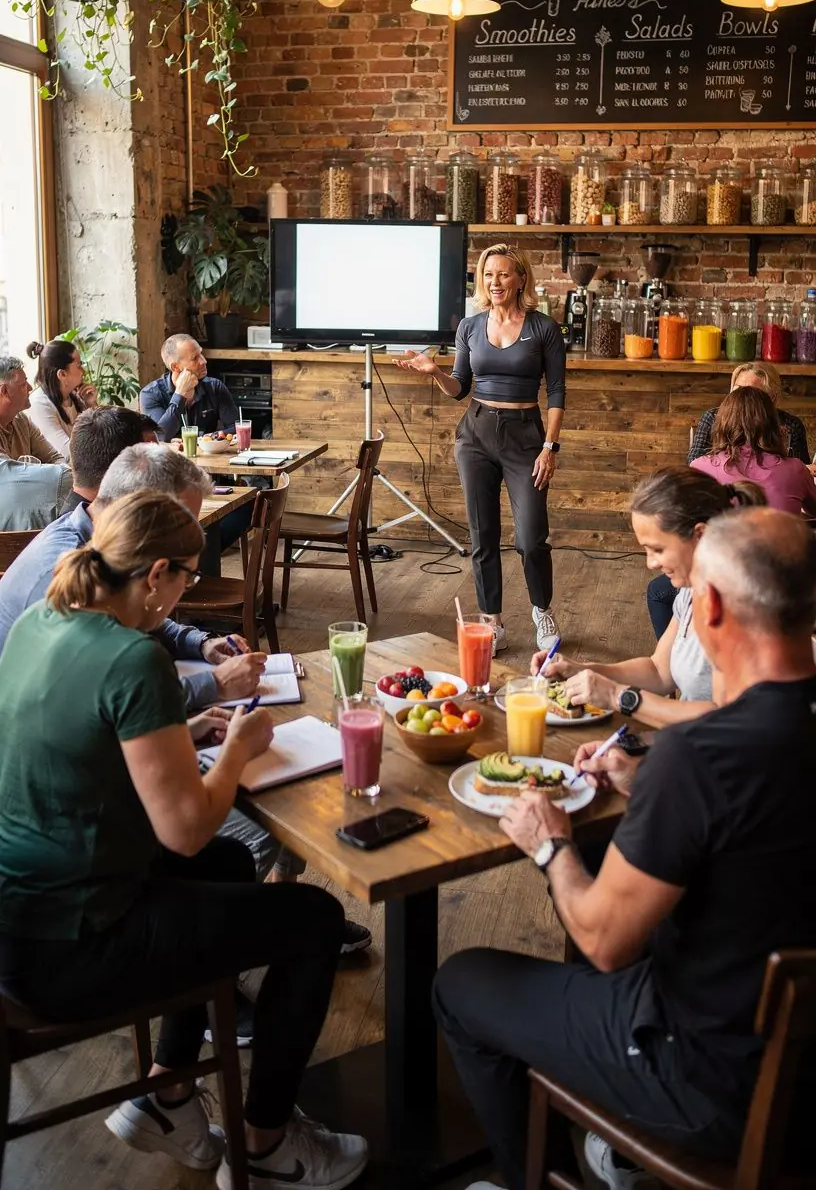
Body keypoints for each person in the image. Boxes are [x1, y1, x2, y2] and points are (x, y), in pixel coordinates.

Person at [436, 506, 816, 1190]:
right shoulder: (728, 755)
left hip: (709, 1082)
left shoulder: (700, 755)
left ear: (717, 608)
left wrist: (552, 846)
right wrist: (649, 792)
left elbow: (604, 938)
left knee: (461, 983)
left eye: (693, 592)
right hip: (797, 1062)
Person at [0, 490, 368, 1190]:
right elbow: (187, 826)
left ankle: (168, 1095)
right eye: (186, 580)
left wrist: (180, 734)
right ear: (156, 572)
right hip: (70, 951)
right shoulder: (131, 658)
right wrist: (236, 747)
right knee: (314, 921)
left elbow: (94, 744)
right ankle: (266, 1148)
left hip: (18, 918)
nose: (183, 596)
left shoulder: (40, 622)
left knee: (230, 860)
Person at [0, 419, 262, 710]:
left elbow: (120, 620)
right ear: (135, 508)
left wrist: (200, 643)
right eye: (180, 522)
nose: (185, 538)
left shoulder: (95, 542)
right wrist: (215, 685)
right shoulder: (61, 574)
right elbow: (116, 697)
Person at [395, 242, 566, 654]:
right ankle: (492, 618)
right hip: (475, 435)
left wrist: (550, 447)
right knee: (482, 533)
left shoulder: (544, 328)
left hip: (526, 436)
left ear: (521, 278)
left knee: (530, 537)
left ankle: (542, 610)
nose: (495, 282)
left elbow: (557, 392)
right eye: (488, 275)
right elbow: (459, 389)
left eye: (504, 274)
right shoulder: (470, 327)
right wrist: (435, 371)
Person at [530, 467, 764, 728]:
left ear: (700, 535)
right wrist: (582, 669)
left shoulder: (740, 608)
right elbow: (659, 670)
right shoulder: (691, 589)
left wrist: (617, 696)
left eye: (658, 549)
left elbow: (729, 722)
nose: (651, 563)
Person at [641, 361, 814, 640]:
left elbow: (684, 515)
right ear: (772, 420)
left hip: (724, 580)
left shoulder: (701, 467)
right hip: (784, 581)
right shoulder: (794, 468)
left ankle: (675, 658)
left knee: (658, 592)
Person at [690, 385, 816, 519]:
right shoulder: (796, 469)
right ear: (774, 425)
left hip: (720, 538)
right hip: (779, 539)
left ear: (722, 423)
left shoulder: (698, 468)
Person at [688, 359, 809, 464]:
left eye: (752, 394)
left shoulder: (791, 425)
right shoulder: (713, 418)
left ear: (772, 397)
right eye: (737, 390)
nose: (742, 398)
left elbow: (802, 471)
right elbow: (693, 463)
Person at [141, 334, 239, 442]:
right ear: (176, 366)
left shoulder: (215, 387)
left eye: (201, 354)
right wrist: (180, 394)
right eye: (195, 358)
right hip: (170, 457)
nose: (203, 361)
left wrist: (208, 438)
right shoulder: (150, 394)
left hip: (209, 456)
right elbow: (160, 436)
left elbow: (237, 427)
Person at [25, 337, 98, 458]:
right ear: (62, 374)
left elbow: (105, 435)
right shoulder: (39, 404)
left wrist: (92, 405)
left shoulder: (76, 396)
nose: (83, 371)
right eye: (79, 365)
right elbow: (68, 454)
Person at [0, 354, 63, 464]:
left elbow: (56, 459)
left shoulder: (22, 420)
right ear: (4, 391)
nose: (30, 388)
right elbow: (7, 477)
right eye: (23, 384)